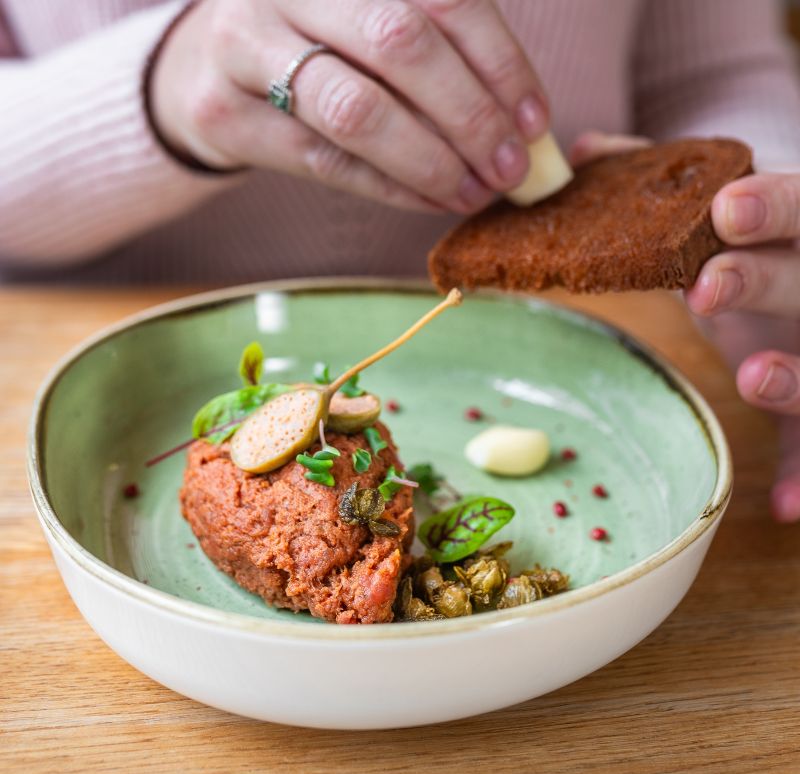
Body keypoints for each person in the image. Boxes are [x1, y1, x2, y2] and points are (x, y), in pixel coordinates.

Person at [2, 0, 800, 521]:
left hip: (612, 368)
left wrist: (757, 226)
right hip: (85, 371)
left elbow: (712, 74)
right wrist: (161, 90)